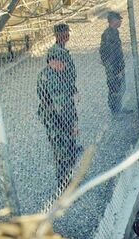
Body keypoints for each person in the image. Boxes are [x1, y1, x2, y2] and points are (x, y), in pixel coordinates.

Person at [37, 45, 82, 192]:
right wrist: (72, 125)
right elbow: (61, 106)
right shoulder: (50, 77)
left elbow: (68, 96)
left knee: (68, 148)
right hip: (56, 120)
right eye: (63, 63)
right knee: (62, 151)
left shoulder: (56, 73)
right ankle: (64, 184)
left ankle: (68, 178)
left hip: (62, 117)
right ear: (54, 61)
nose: (65, 66)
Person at [99, 12, 129, 115]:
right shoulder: (108, 34)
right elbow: (108, 53)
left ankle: (119, 107)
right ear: (113, 21)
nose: (120, 21)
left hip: (117, 65)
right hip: (113, 66)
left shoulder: (115, 32)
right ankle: (115, 111)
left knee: (121, 87)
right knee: (114, 88)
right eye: (119, 19)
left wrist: (121, 67)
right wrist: (115, 69)